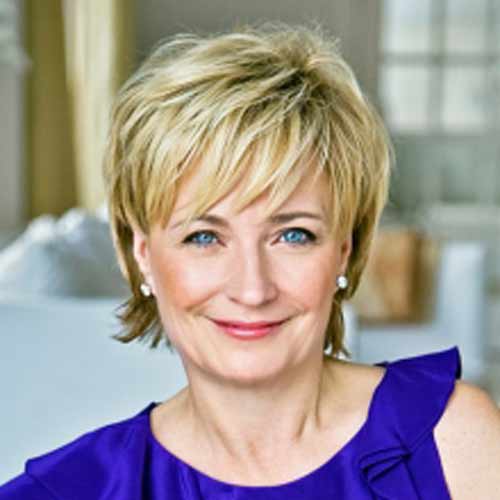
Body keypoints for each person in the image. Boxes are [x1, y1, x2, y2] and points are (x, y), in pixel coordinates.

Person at [1, 21, 499, 500]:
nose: (252, 288)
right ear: (144, 256)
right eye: (203, 237)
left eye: (293, 235)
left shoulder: (453, 441)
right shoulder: (71, 490)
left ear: (343, 251)